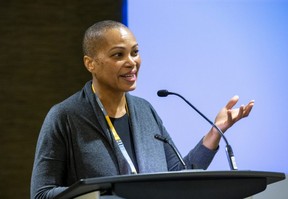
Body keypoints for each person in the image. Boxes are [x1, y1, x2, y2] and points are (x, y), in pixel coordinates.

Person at [30, 20, 254, 199]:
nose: (131, 62)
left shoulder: (145, 111)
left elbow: (177, 176)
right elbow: (41, 193)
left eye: (135, 52)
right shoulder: (65, 116)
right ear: (90, 63)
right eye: (118, 55)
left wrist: (216, 132)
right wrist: (98, 195)